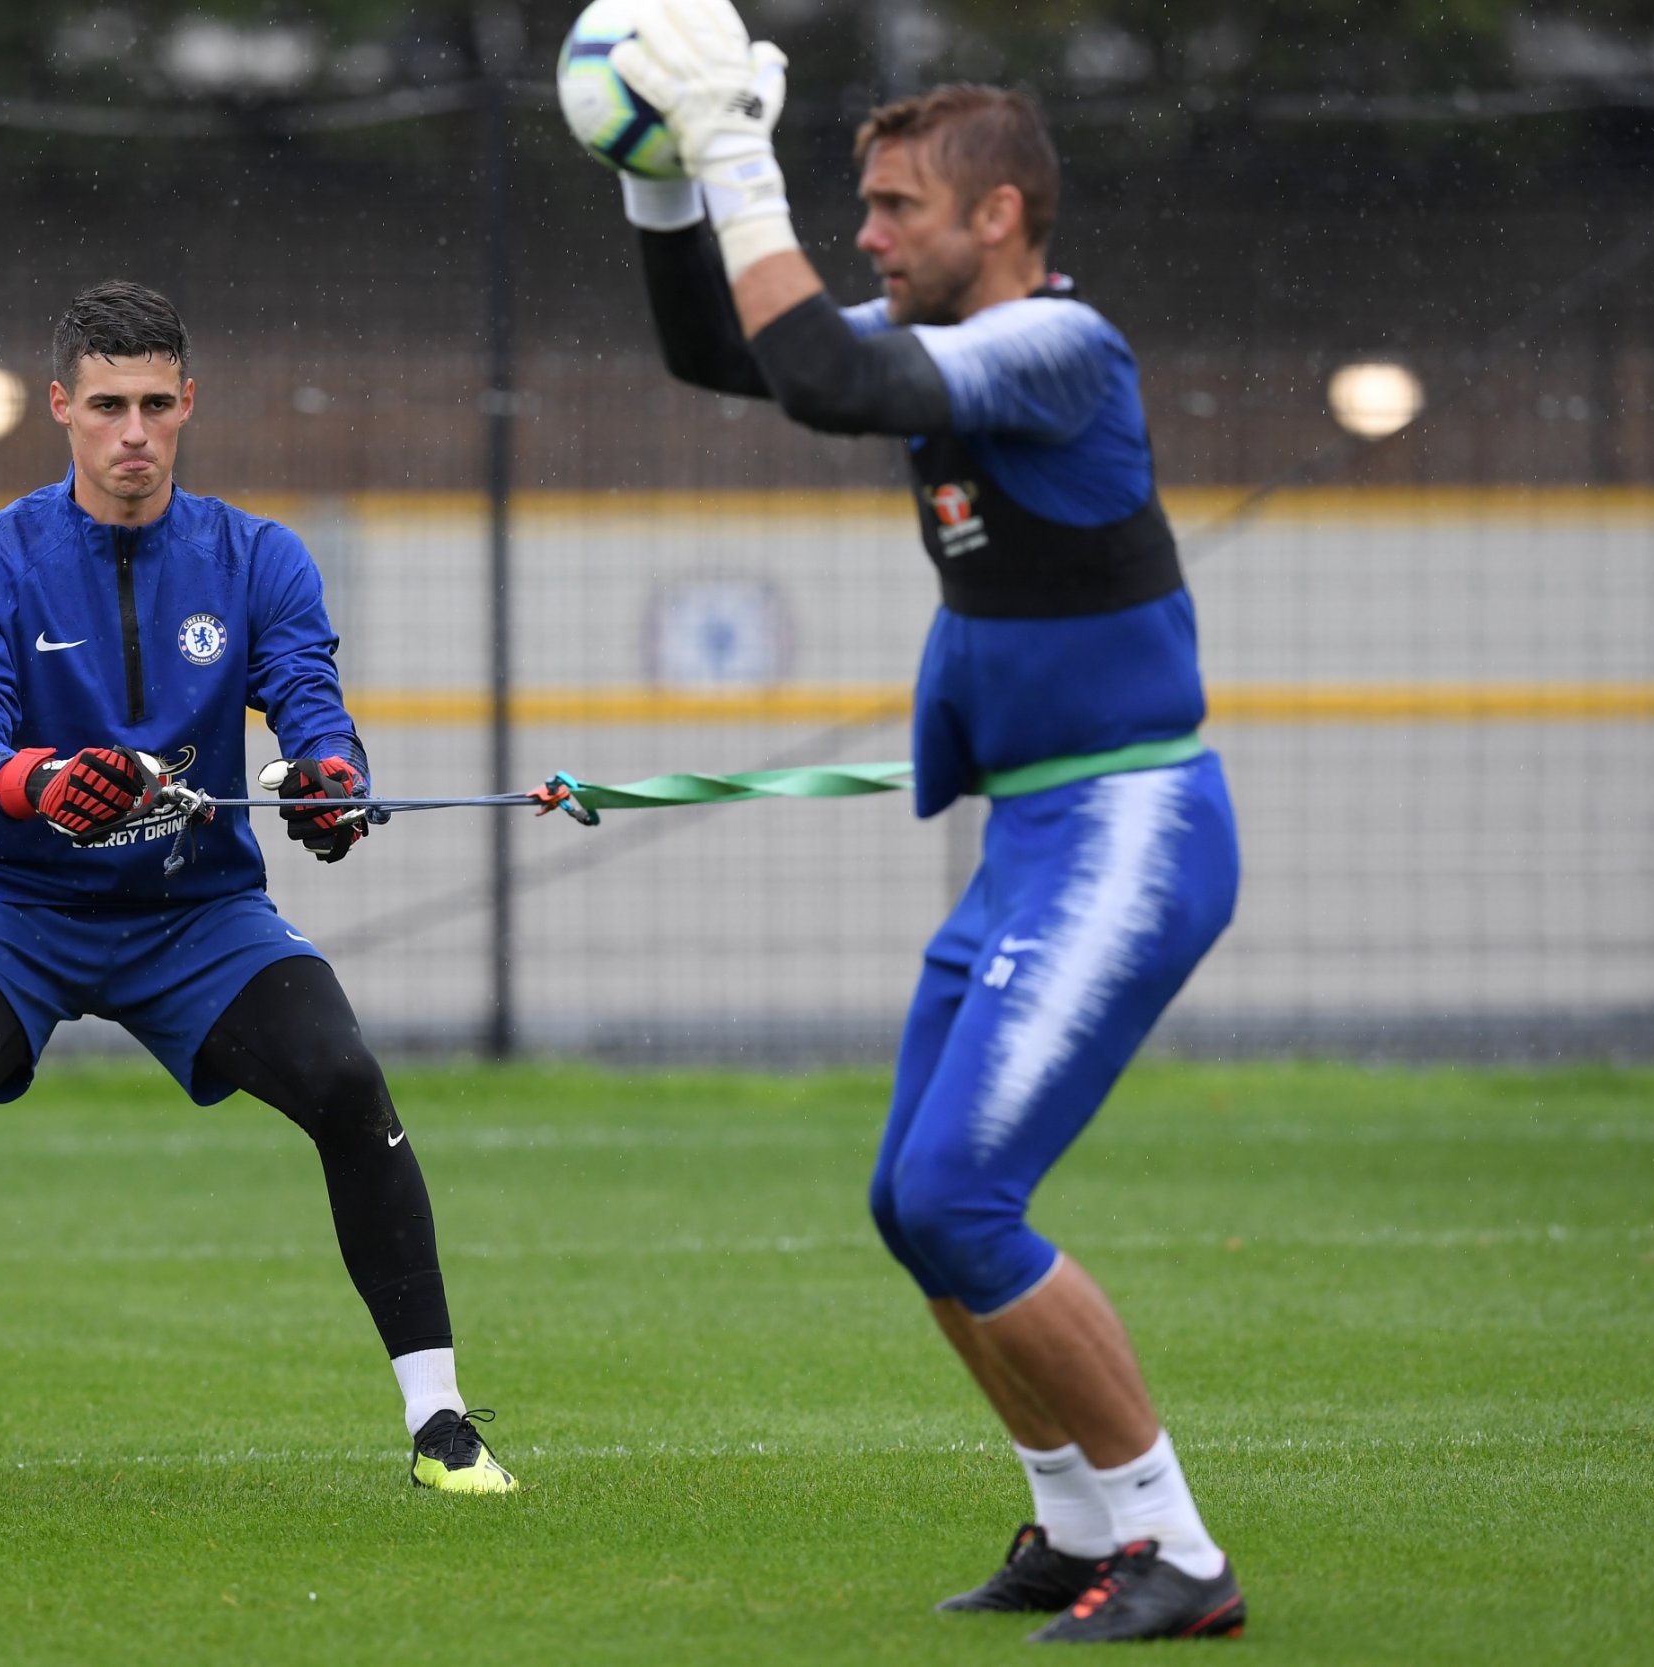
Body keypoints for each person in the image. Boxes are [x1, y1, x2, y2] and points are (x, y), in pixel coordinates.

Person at [598, 0, 1243, 1642]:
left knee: (963, 1199)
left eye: (896, 209)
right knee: (912, 1202)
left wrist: (735, 149)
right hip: (1039, 836)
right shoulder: (960, 351)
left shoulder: (1059, 349)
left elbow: (818, 372)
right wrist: (664, 183)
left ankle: (1180, 1552)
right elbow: (715, 355)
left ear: (1000, 218)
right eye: (861, 205)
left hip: (1126, 830)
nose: (866, 232)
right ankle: (1078, 1525)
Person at [0, 280, 517, 1502]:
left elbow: (312, 704)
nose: (134, 431)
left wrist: (332, 783)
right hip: (16, 906)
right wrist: (36, 780)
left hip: (196, 915)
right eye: (108, 404)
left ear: (188, 406)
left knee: (343, 1078)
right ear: (60, 406)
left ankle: (440, 1419)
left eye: (156, 405)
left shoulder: (257, 554)